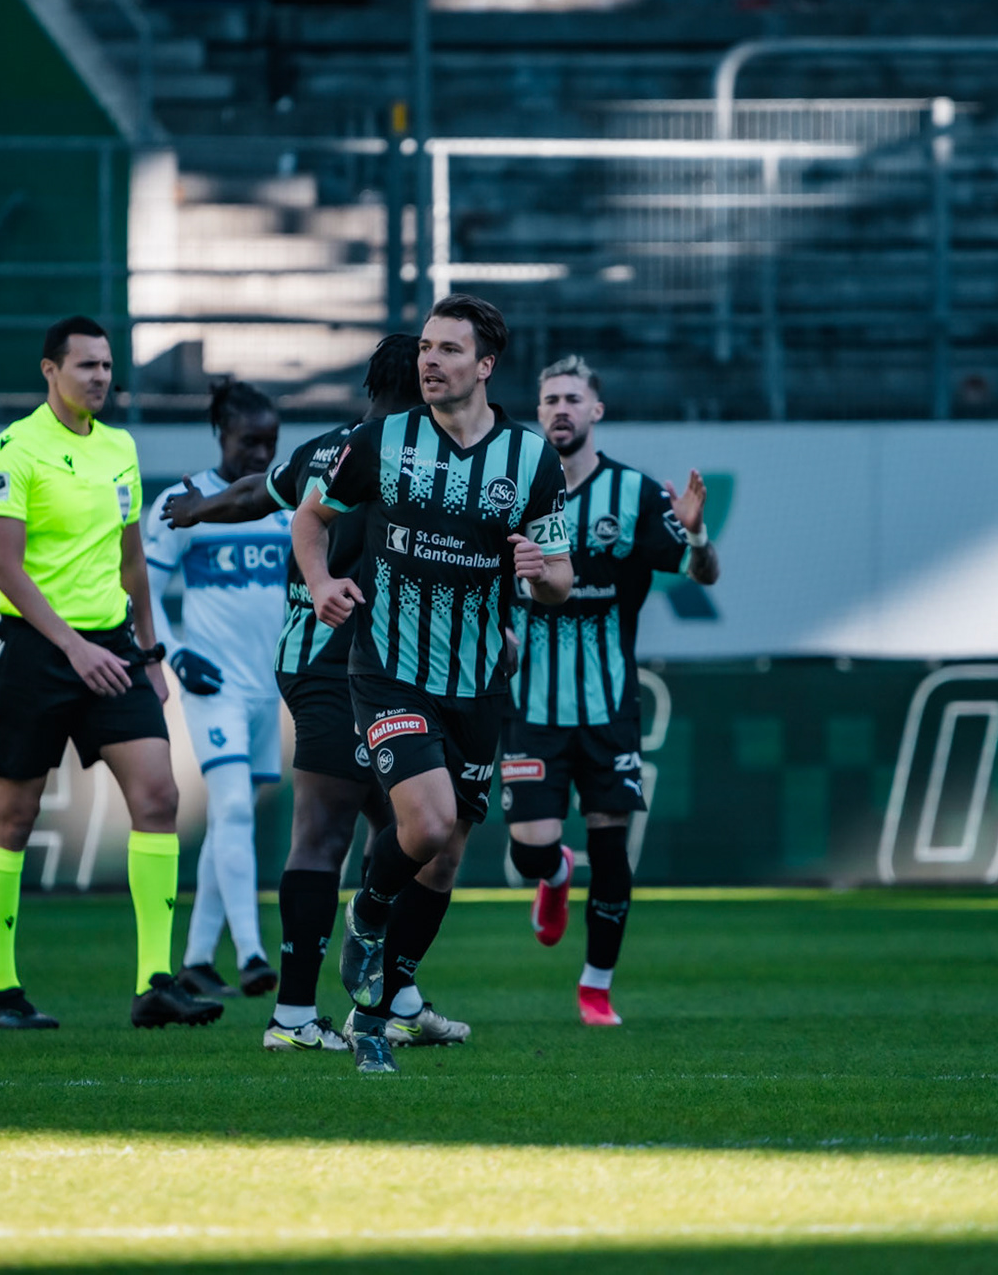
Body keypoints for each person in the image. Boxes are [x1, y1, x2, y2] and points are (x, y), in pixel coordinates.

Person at [162, 335, 471, 1052]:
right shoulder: (391, 455)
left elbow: (255, 492)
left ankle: (394, 996)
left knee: (425, 835)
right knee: (328, 832)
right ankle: (293, 1015)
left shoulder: (337, 447)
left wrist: (202, 508)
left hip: (380, 671)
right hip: (334, 666)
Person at [297, 294, 574, 1074]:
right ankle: (369, 918)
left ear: (484, 367)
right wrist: (320, 583)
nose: (430, 360)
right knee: (423, 826)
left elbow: (559, 577)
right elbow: (310, 520)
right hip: (389, 670)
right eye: (426, 346)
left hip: (479, 683)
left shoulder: (530, 462)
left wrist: (541, 577)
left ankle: (375, 1013)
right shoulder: (381, 441)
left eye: (450, 350)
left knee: (448, 857)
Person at [0, 315, 220, 1032]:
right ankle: (4, 992)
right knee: (13, 817)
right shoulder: (13, 450)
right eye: (86, 366)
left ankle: (155, 983)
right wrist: (72, 649)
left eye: (108, 367)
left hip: (114, 649)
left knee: (159, 796)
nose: (101, 378)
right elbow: (5, 569)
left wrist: (149, 649)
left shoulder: (120, 448)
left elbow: (132, 557)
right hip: (34, 651)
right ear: (49, 370)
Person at [501, 356, 717, 1027]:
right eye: (548, 400)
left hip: (608, 706)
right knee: (529, 847)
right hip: (531, 707)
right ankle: (554, 874)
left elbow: (704, 575)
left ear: (597, 411)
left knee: (612, 845)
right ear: (536, 414)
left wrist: (697, 534)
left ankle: (596, 986)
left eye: (572, 398)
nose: (560, 408)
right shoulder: (509, 491)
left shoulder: (634, 494)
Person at [142, 381, 289, 1000]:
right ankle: (254, 954)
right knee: (229, 810)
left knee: (235, 818)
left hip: (269, 691)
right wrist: (174, 656)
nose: (260, 454)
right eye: (248, 441)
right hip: (213, 683)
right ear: (221, 434)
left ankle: (198, 958)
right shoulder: (184, 500)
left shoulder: (284, 501)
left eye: (270, 442)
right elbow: (141, 589)